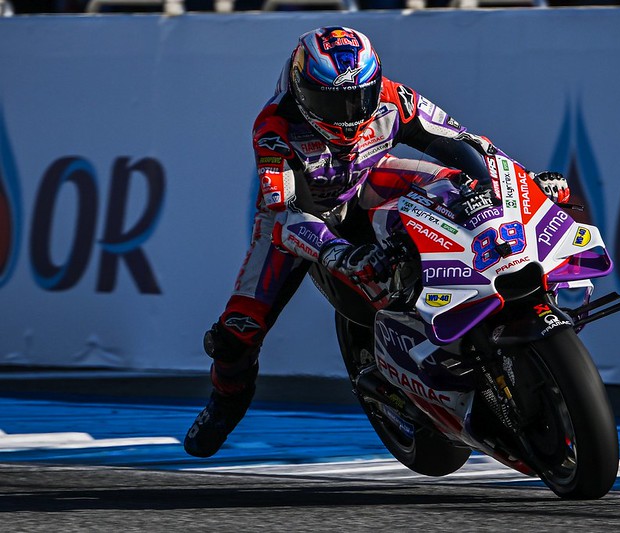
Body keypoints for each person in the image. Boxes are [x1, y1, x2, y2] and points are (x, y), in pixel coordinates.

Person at [184, 26, 570, 458]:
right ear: (301, 90)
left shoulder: (395, 98)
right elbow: (285, 213)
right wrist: (337, 252)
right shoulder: (274, 128)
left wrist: (524, 182)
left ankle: (480, 294)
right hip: (301, 220)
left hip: (369, 180)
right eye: (333, 102)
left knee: (461, 185)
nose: (349, 114)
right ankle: (227, 401)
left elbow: (465, 142)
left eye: (359, 98)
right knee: (237, 332)